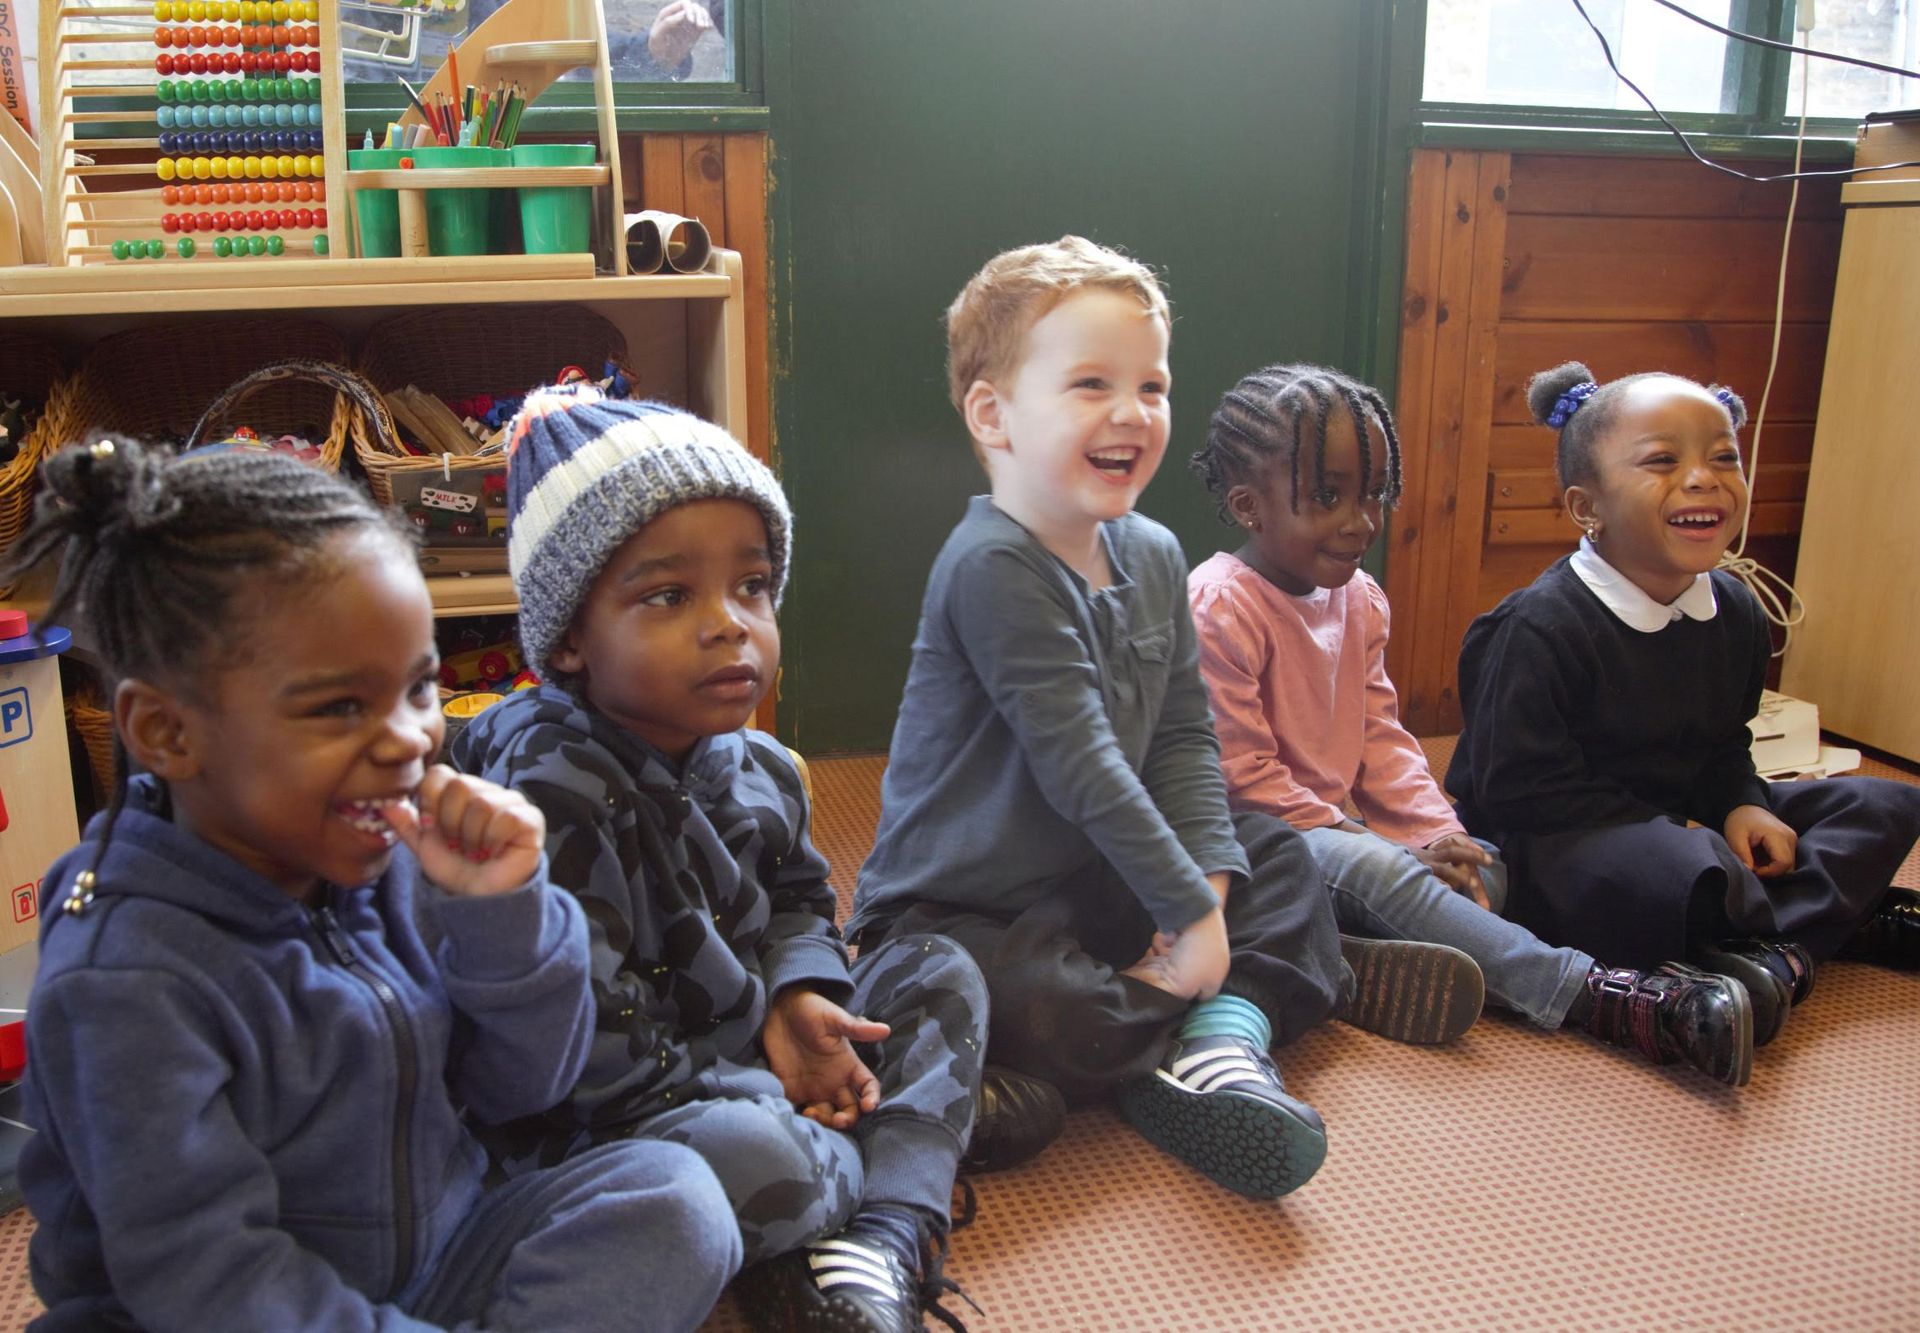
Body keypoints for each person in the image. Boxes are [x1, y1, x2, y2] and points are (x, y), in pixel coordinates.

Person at [12, 437, 739, 1332]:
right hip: (213, 1313)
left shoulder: (386, 854)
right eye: (341, 706)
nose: (408, 738)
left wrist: (503, 909)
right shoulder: (123, 980)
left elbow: (527, 1087)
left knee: (675, 1200)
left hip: (441, 1253)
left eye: (419, 686)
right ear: (165, 733)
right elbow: (210, 1275)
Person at [849, 237, 1481, 1203]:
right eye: (1091, 383)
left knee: (1282, 860)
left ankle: (1209, 1035)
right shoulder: (991, 566)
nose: (1131, 412)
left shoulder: (1152, 554)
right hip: (962, 909)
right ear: (994, 415)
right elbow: (1084, 767)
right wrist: (1190, 923)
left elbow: (1187, 740)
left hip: (1105, 886)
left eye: (1153, 384)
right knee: (1021, 999)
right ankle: (1212, 1026)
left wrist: (1214, 889)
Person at [452, 391, 992, 1333]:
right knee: (755, 1159)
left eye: (751, 587)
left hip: (751, 1047)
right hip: (623, 1112)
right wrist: (773, 1087)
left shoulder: (763, 764)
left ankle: (884, 1232)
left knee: (940, 968)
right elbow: (586, 1047)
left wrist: (797, 997)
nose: (728, 624)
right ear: (569, 638)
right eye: (669, 595)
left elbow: (799, 900)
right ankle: (908, 1152)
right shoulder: (549, 788)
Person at [1185, 362, 1756, 1085]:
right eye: (1327, 496)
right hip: (1247, 841)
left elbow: (1383, 740)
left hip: (1328, 829)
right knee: (1375, 869)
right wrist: (1373, 843)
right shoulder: (1218, 606)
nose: (1359, 522)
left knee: (1485, 870)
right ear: (1248, 505)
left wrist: (1436, 833)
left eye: (1373, 495)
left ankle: (1348, 957)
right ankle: (1596, 995)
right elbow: (1243, 782)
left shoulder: (1359, 596)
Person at [1448, 361, 1920, 1050]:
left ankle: (1781, 955)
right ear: (1589, 507)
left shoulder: (1735, 610)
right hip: (1557, 843)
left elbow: (1725, 743)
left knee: (1885, 805)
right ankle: (1835, 920)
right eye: (1663, 460)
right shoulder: (1537, 628)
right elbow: (1516, 790)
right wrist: (1680, 828)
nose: (1703, 477)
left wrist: (1741, 804)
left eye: (1724, 456)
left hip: (1686, 818)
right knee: (1689, 869)